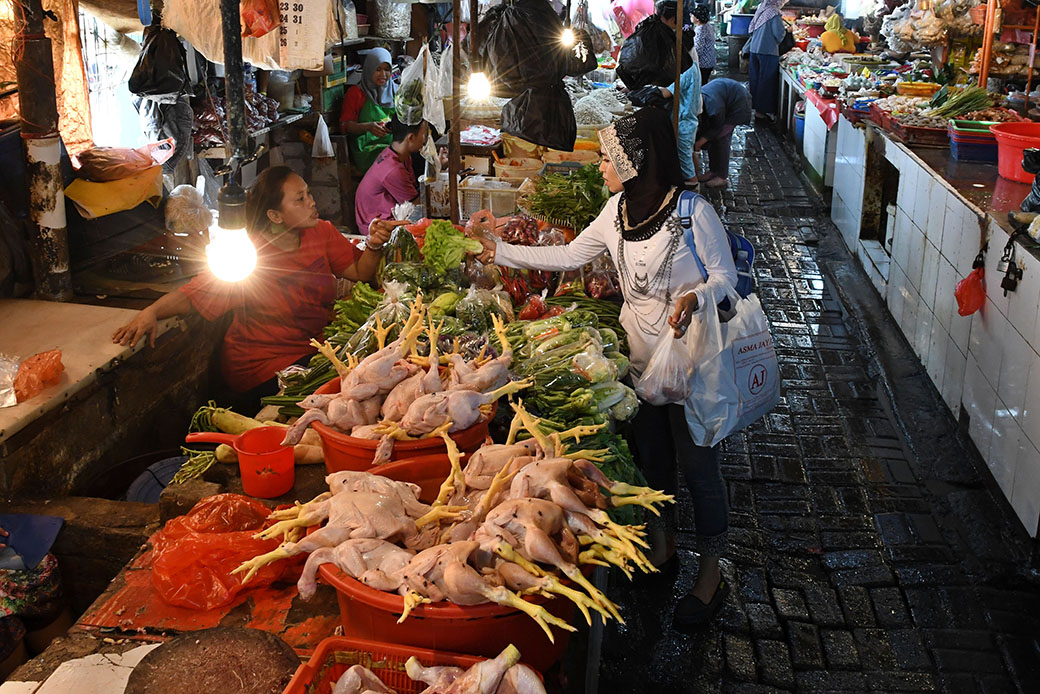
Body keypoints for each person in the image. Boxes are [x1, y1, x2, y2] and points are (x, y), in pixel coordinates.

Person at [471, 108, 737, 629]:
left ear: (637, 162)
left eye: (608, 158)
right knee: (654, 461)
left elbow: (727, 277)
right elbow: (569, 256)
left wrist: (697, 297)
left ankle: (711, 576)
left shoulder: (692, 213)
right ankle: (664, 549)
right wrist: (498, 249)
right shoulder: (615, 212)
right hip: (642, 365)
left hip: (694, 367)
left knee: (702, 471)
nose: (600, 168)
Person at [112, 166, 404, 409]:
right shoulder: (246, 255)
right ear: (275, 216)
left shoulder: (321, 232)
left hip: (308, 353)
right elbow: (195, 294)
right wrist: (150, 312)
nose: (312, 202)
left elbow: (359, 272)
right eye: (300, 199)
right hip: (260, 366)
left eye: (309, 194)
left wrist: (374, 243)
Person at [354, 117, 426, 234]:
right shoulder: (393, 169)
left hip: (383, 215)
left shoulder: (399, 155)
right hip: (375, 227)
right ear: (411, 138)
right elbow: (417, 204)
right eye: (423, 134)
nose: (424, 140)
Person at [339, 48, 397, 174]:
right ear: (369, 69)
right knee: (394, 158)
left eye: (387, 70)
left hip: (392, 143)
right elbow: (345, 126)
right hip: (367, 149)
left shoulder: (396, 91)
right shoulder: (356, 94)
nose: (383, 74)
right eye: (378, 69)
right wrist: (368, 127)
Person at [694, 78, 752, 188]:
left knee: (721, 139)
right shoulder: (700, 101)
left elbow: (717, 128)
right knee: (712, 139)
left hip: (737, 104)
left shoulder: (714, 106)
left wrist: (699, 143)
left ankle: (722, 176)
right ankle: (714, 171)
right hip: (725, 97)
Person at [659, 65, 702, 186]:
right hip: (687, 120)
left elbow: (667, 93)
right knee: (688, 154)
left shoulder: (687, 70)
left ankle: (693, 187)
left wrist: (648, 90)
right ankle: (694, 181)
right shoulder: (693, 67)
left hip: (683, 122)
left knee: (685, 162)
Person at [744, 0, 786, 121]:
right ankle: (761, 111)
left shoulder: (761, 9)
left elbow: (751, 29)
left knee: (756, 80)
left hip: (754, 49)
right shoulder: (774, 12)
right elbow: (779, 33)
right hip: (767, 51)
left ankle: (756, 108)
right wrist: (787, 31)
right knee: (766, 82)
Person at [691, 5, 716, 85]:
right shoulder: (708, 25)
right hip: (710, 61)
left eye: (692, 15)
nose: (691, 16)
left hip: (703, 63)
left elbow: (698, 49)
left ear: (697, 19)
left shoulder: (700, 30)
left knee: (701, 84)